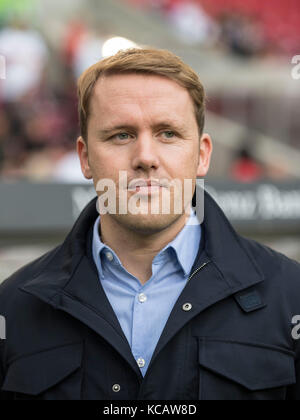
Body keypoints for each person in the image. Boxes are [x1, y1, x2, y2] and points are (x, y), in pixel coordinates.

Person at [1, 48, 300, 401]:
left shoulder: (290, 296)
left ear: (202, 155)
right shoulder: (13, 308)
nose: (145, 157)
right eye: (121, 135)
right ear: (84, 157)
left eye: (168, 133)